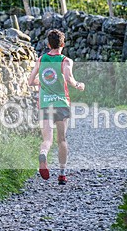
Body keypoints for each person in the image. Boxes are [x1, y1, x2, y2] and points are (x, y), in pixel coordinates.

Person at [28, 29, 85, 185]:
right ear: (63, 44)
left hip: (45, 104)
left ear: (48, 44)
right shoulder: (66, 61)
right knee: (62, 140)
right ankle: (62, 173)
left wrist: (42, 81)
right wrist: (79, 85)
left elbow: (30, 81)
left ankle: (43, 154)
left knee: (47, 139)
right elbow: (68, 78)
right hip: (61, 104)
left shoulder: (41, 59)